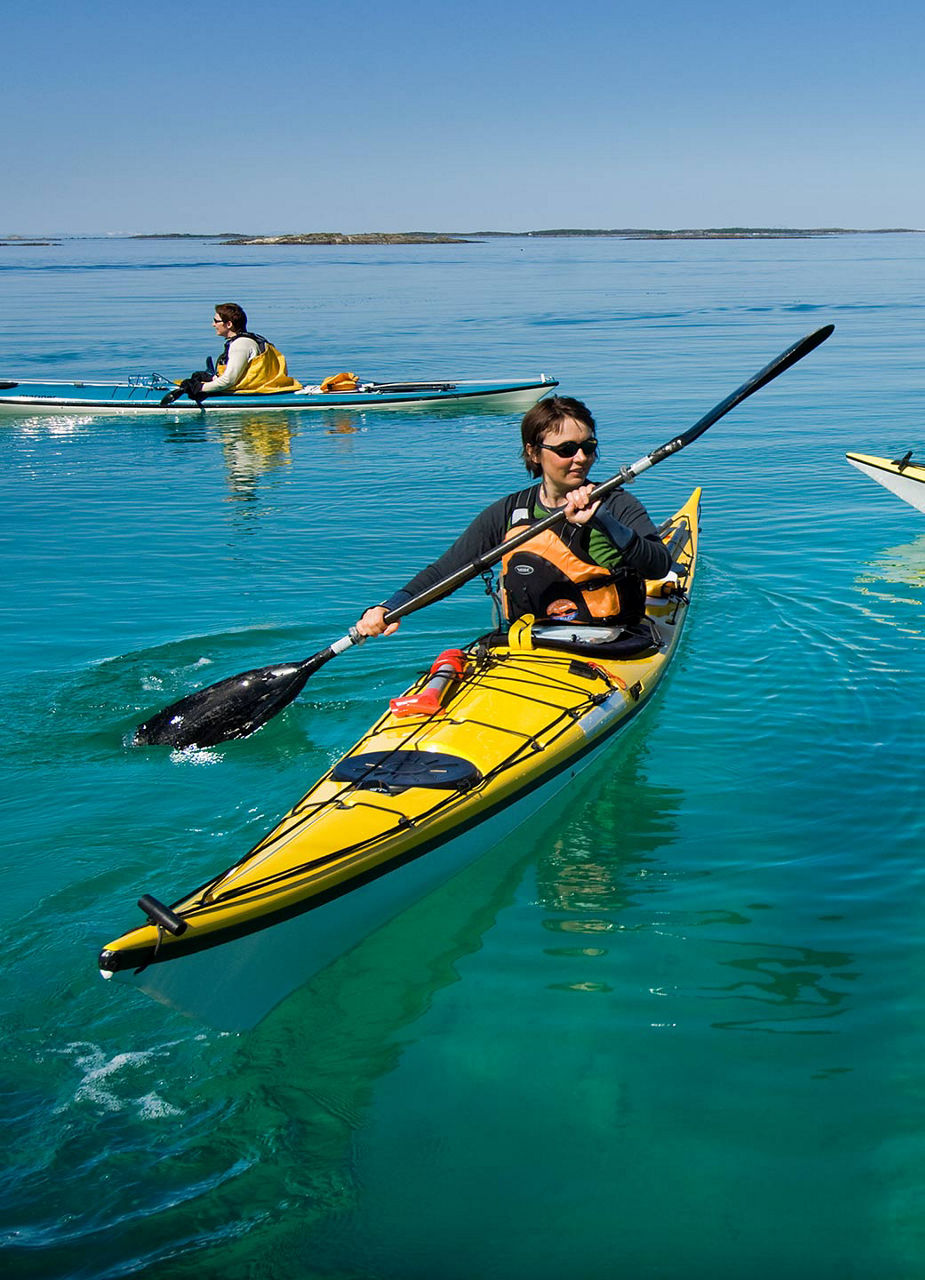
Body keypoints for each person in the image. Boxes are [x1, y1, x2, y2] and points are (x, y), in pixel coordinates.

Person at [356, 396, 672, 640]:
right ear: (534, 453)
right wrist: (391, 607)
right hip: (528, 644)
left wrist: (602, 520)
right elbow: (447, 570)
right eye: (567, 449)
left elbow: (659, 565)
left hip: (613, 642)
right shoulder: (509, 511)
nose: (581, 458)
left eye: (588, 447)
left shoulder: (616, 503)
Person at [166, 304, 302, 402]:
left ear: (229, 324)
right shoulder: (249, 339)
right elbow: (243, 375)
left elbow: (228, 381)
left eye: (216, 321)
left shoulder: (240, 344)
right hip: (263, 387)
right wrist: (211, 379)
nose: (213, 324)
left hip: (256, 393)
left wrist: (200, 387)